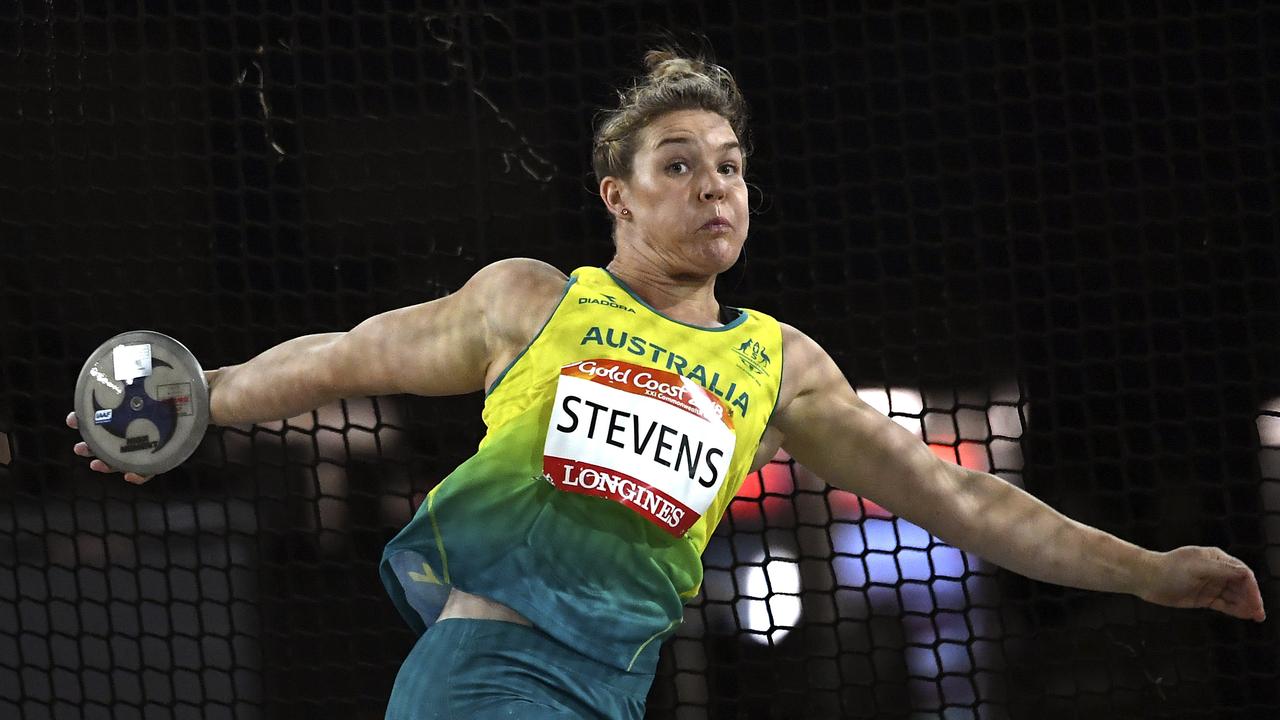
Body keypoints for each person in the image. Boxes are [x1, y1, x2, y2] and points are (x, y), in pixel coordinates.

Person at [69, 49, 1266, 720]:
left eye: (731, 167)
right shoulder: (534, 302)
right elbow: (339, 357)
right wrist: (198, 399)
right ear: (618, 195)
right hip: (489, 677)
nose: (713, 187)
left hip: (612, 695)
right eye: (678, 164)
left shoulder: (777, 365)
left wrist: (1148, 571)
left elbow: (971, 508)